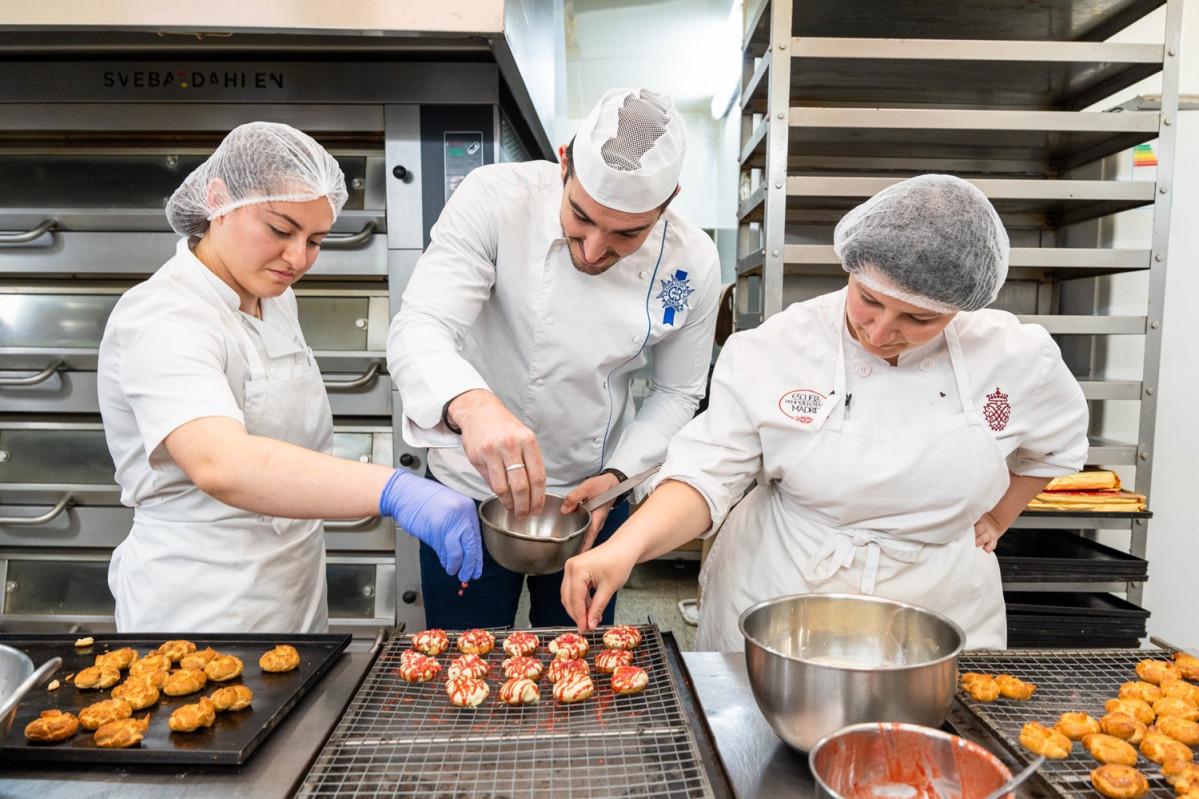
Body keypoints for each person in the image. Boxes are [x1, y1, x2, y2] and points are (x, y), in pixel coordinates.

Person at [561, 174, 1090, 650]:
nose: (880, 333)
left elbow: (1055, 446)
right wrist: (622, 550)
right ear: (851, 269)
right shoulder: (779, 347)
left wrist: (999, 515)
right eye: (869, 300)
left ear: (960, 308)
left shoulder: (1018, 359)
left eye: (918, 318)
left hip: (936, 609)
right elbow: (706, 476)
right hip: (782, 595)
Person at [97, 121, 481, 633]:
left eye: (316, 239)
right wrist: (394, 490)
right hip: (199, 605)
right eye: (280, 230)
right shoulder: (163, 316)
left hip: (292, 594)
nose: (298, 258)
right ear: (218, 200)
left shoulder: (274, 299)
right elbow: (221, 464)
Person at [388, 88, 721, 629]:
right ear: (564, 163)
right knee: (462, 656)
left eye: (627, 233)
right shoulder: (496, 198)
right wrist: (472, 406)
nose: (593, 250)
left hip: (592, 503)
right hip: (470, 494)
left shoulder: (693, 263)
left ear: (668, 202)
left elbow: (678, 391)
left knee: (577, 665)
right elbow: (422, 324)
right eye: (582, 217)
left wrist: (618, 476)